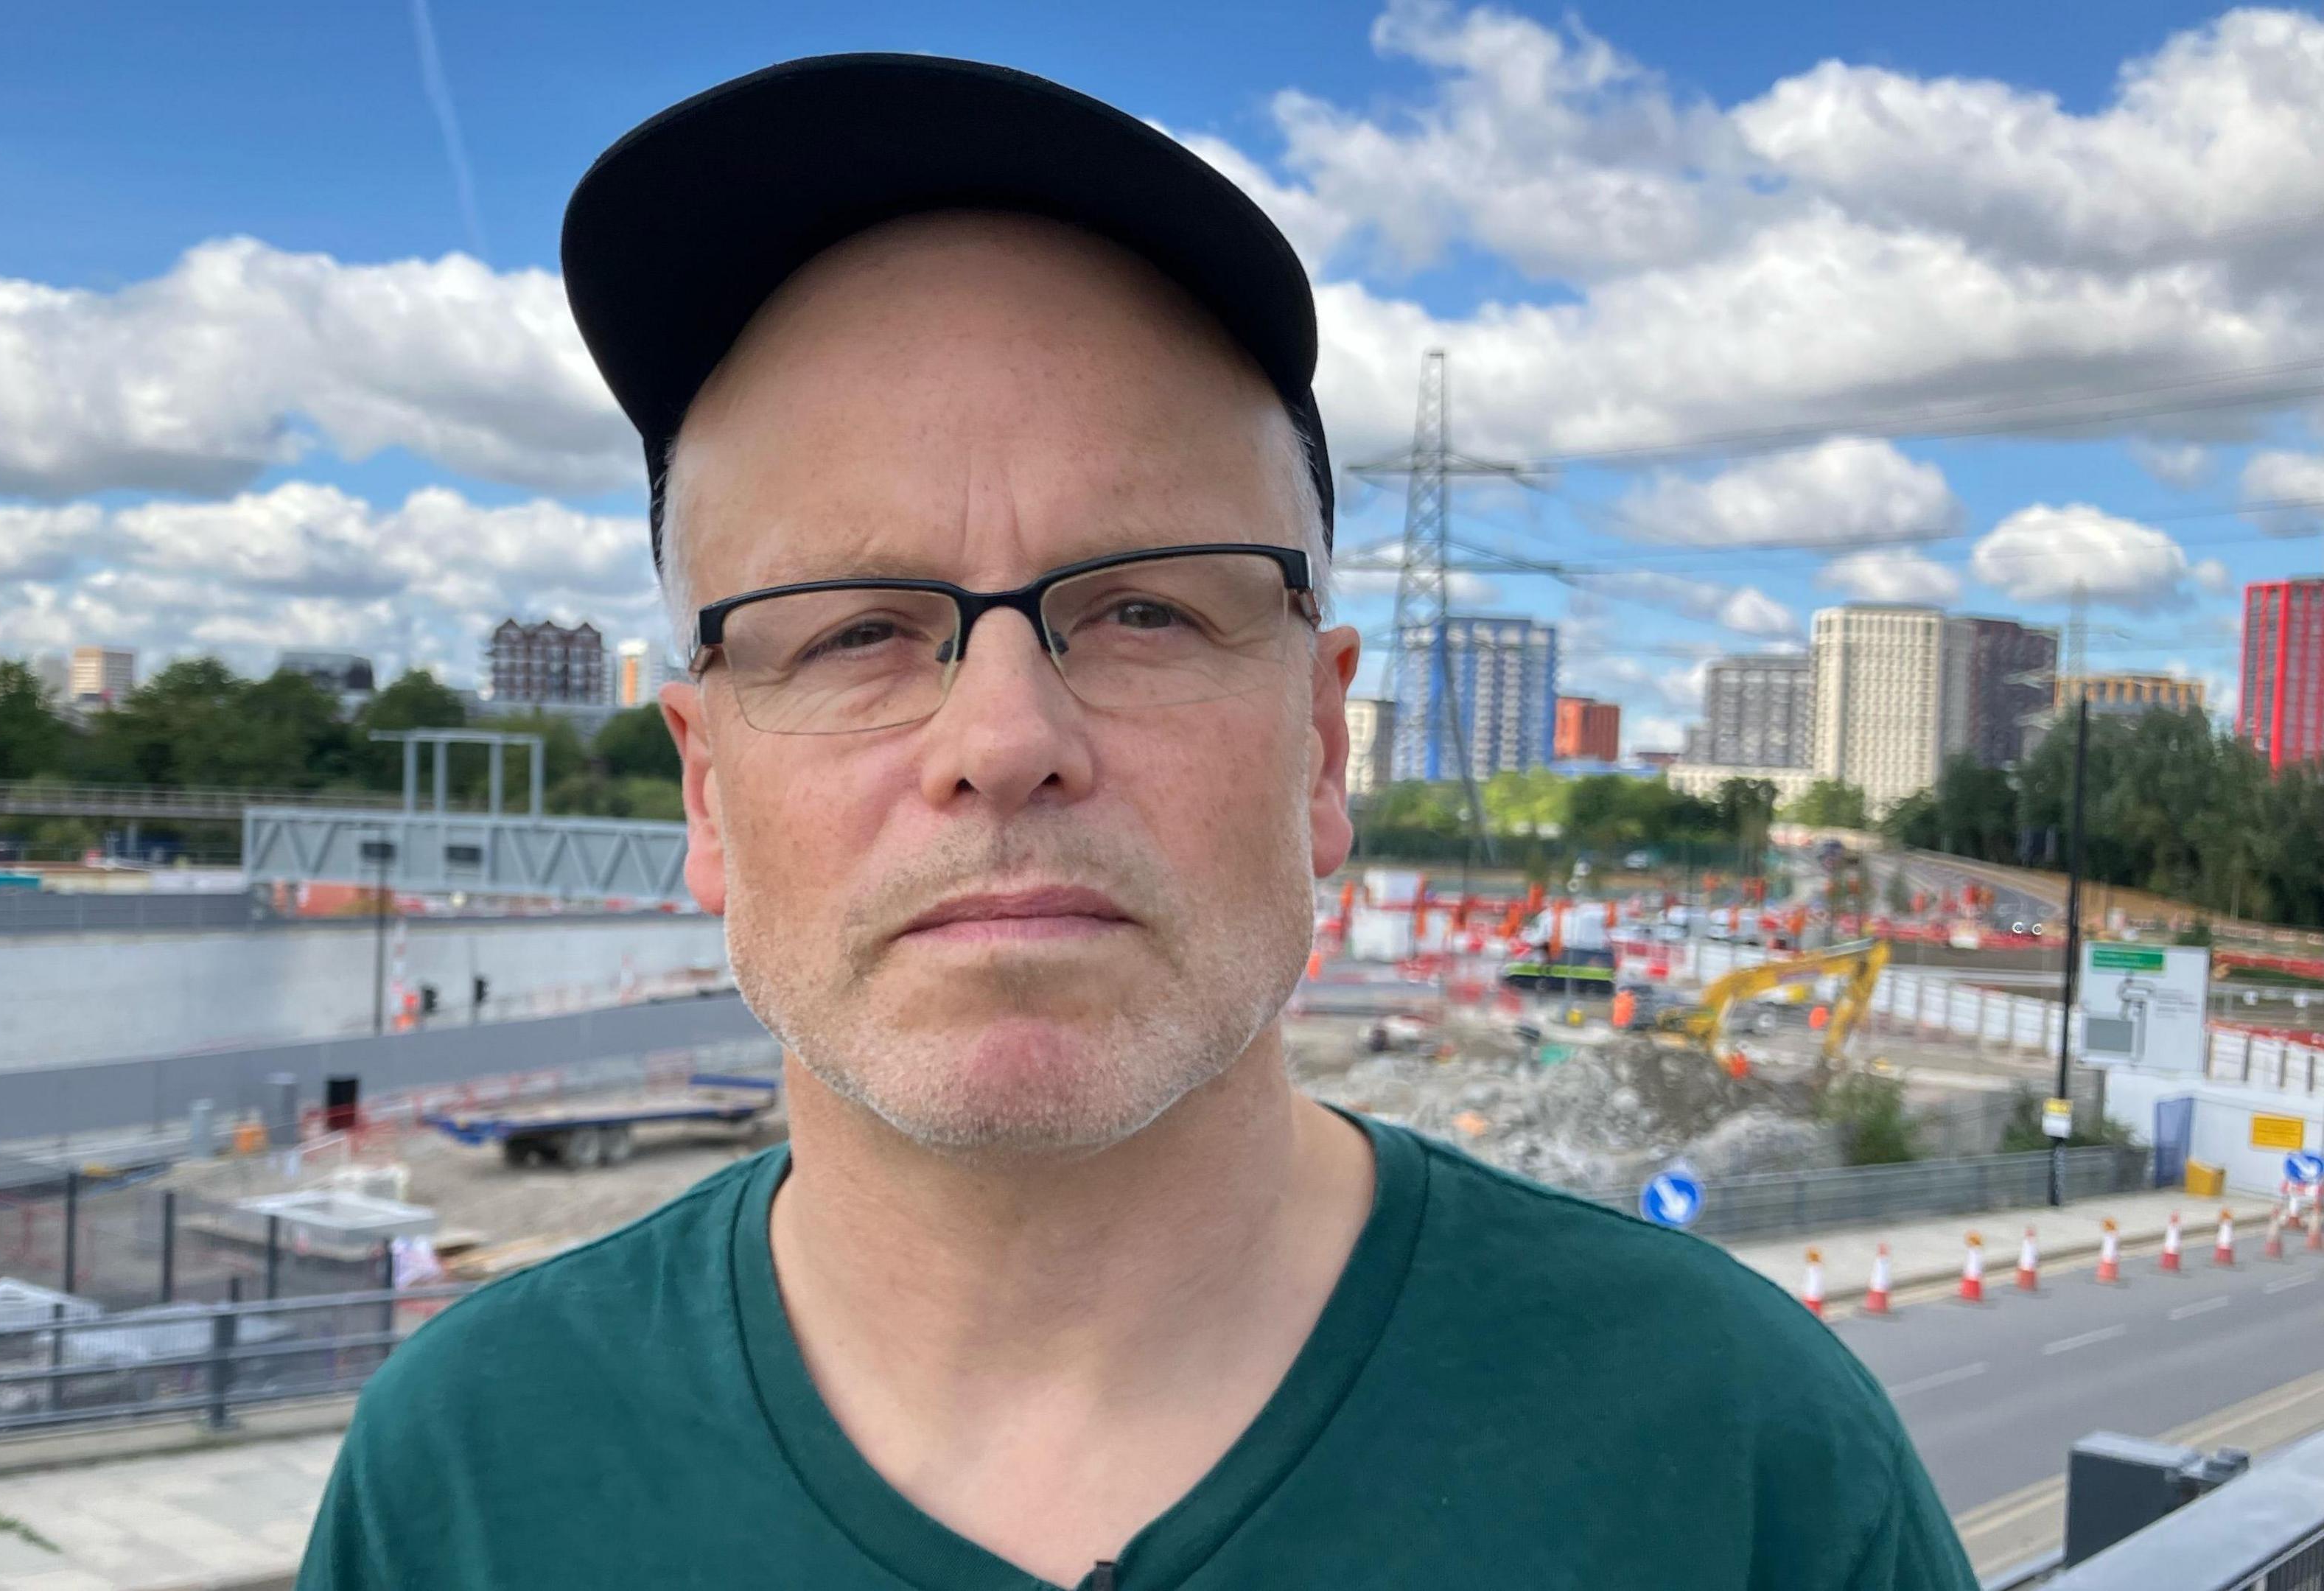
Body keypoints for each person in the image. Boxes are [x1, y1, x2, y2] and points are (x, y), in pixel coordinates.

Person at [298, 55, 1973, 1590]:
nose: (1005, 740)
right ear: (706, 784)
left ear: (1323, 743)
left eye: (1147, 612)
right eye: (857, 628)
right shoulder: (465, 1483)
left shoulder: (1743, 1464)